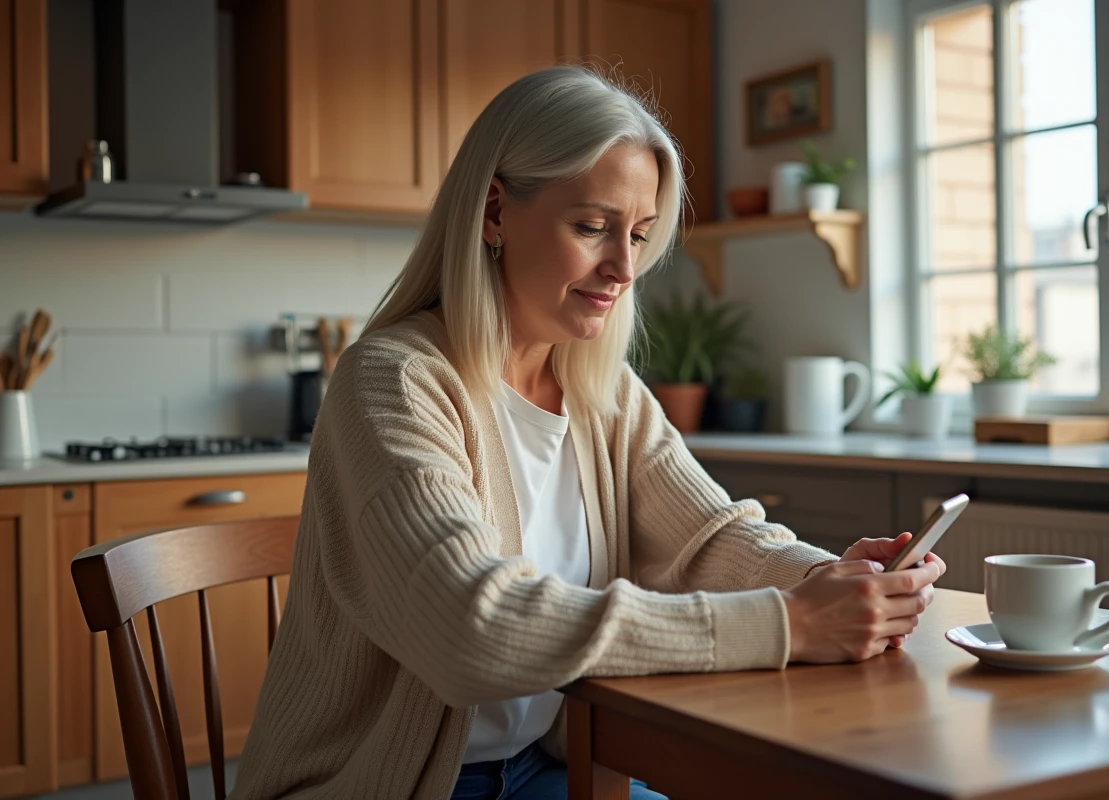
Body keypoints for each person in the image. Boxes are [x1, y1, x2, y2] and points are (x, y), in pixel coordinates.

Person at [231, 65, 945, 800]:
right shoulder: (393, 381)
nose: (624, 268)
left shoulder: (602, 391)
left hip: (545, 764)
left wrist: (824, 581)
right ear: (494, 212)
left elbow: (709, 537)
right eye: (593, 228)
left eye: (638, 235)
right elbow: (472, 627)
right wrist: (789, 623)